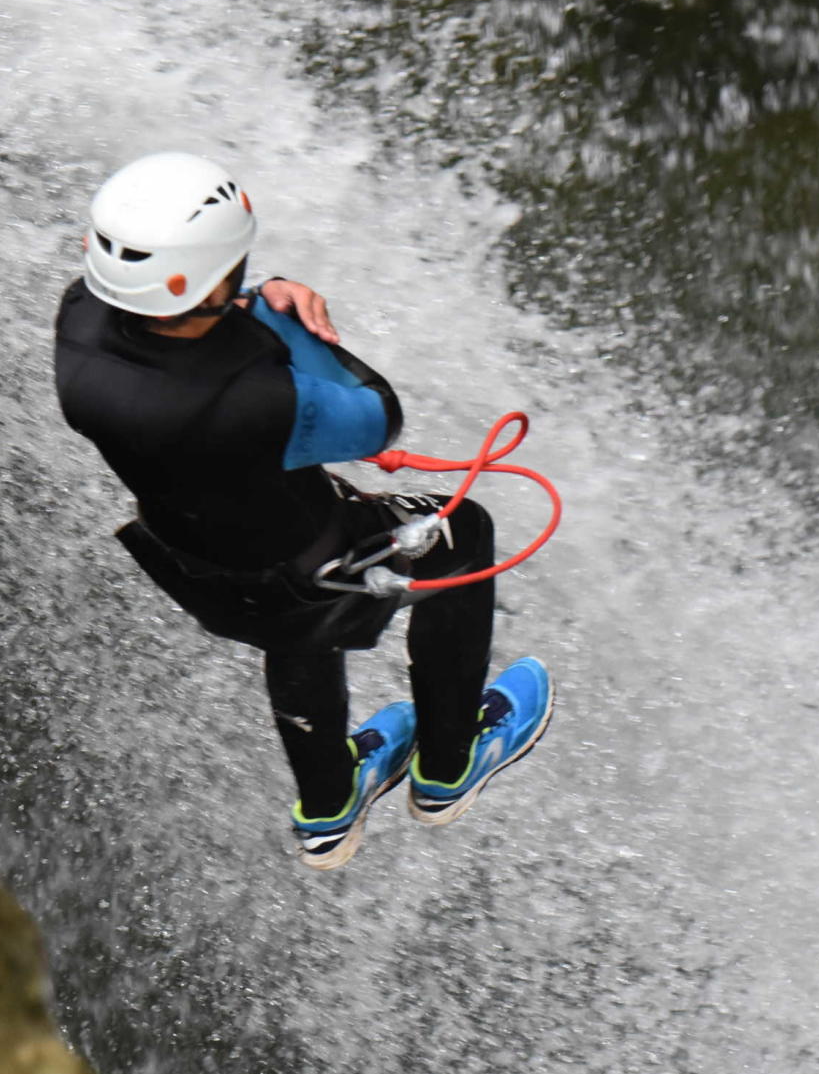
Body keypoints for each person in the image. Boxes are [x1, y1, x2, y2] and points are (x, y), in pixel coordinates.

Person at [53, 152, 552, 869]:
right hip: (311, 566)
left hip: (192, 563)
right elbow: (378, 416)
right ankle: (449, 764)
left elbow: (185, 336)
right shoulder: (254, 401)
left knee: (291, 628)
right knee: (462, 531)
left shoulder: (79, 319)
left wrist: (251, 296)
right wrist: (285, 318)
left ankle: (329, 809)